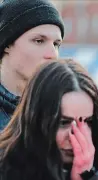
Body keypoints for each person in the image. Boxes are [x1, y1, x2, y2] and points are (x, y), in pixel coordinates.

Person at [0, 0, 65, 131]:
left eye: (56, 44)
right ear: (7, 43)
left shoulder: (64, 109)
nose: (53, 54)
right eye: (39, 41)